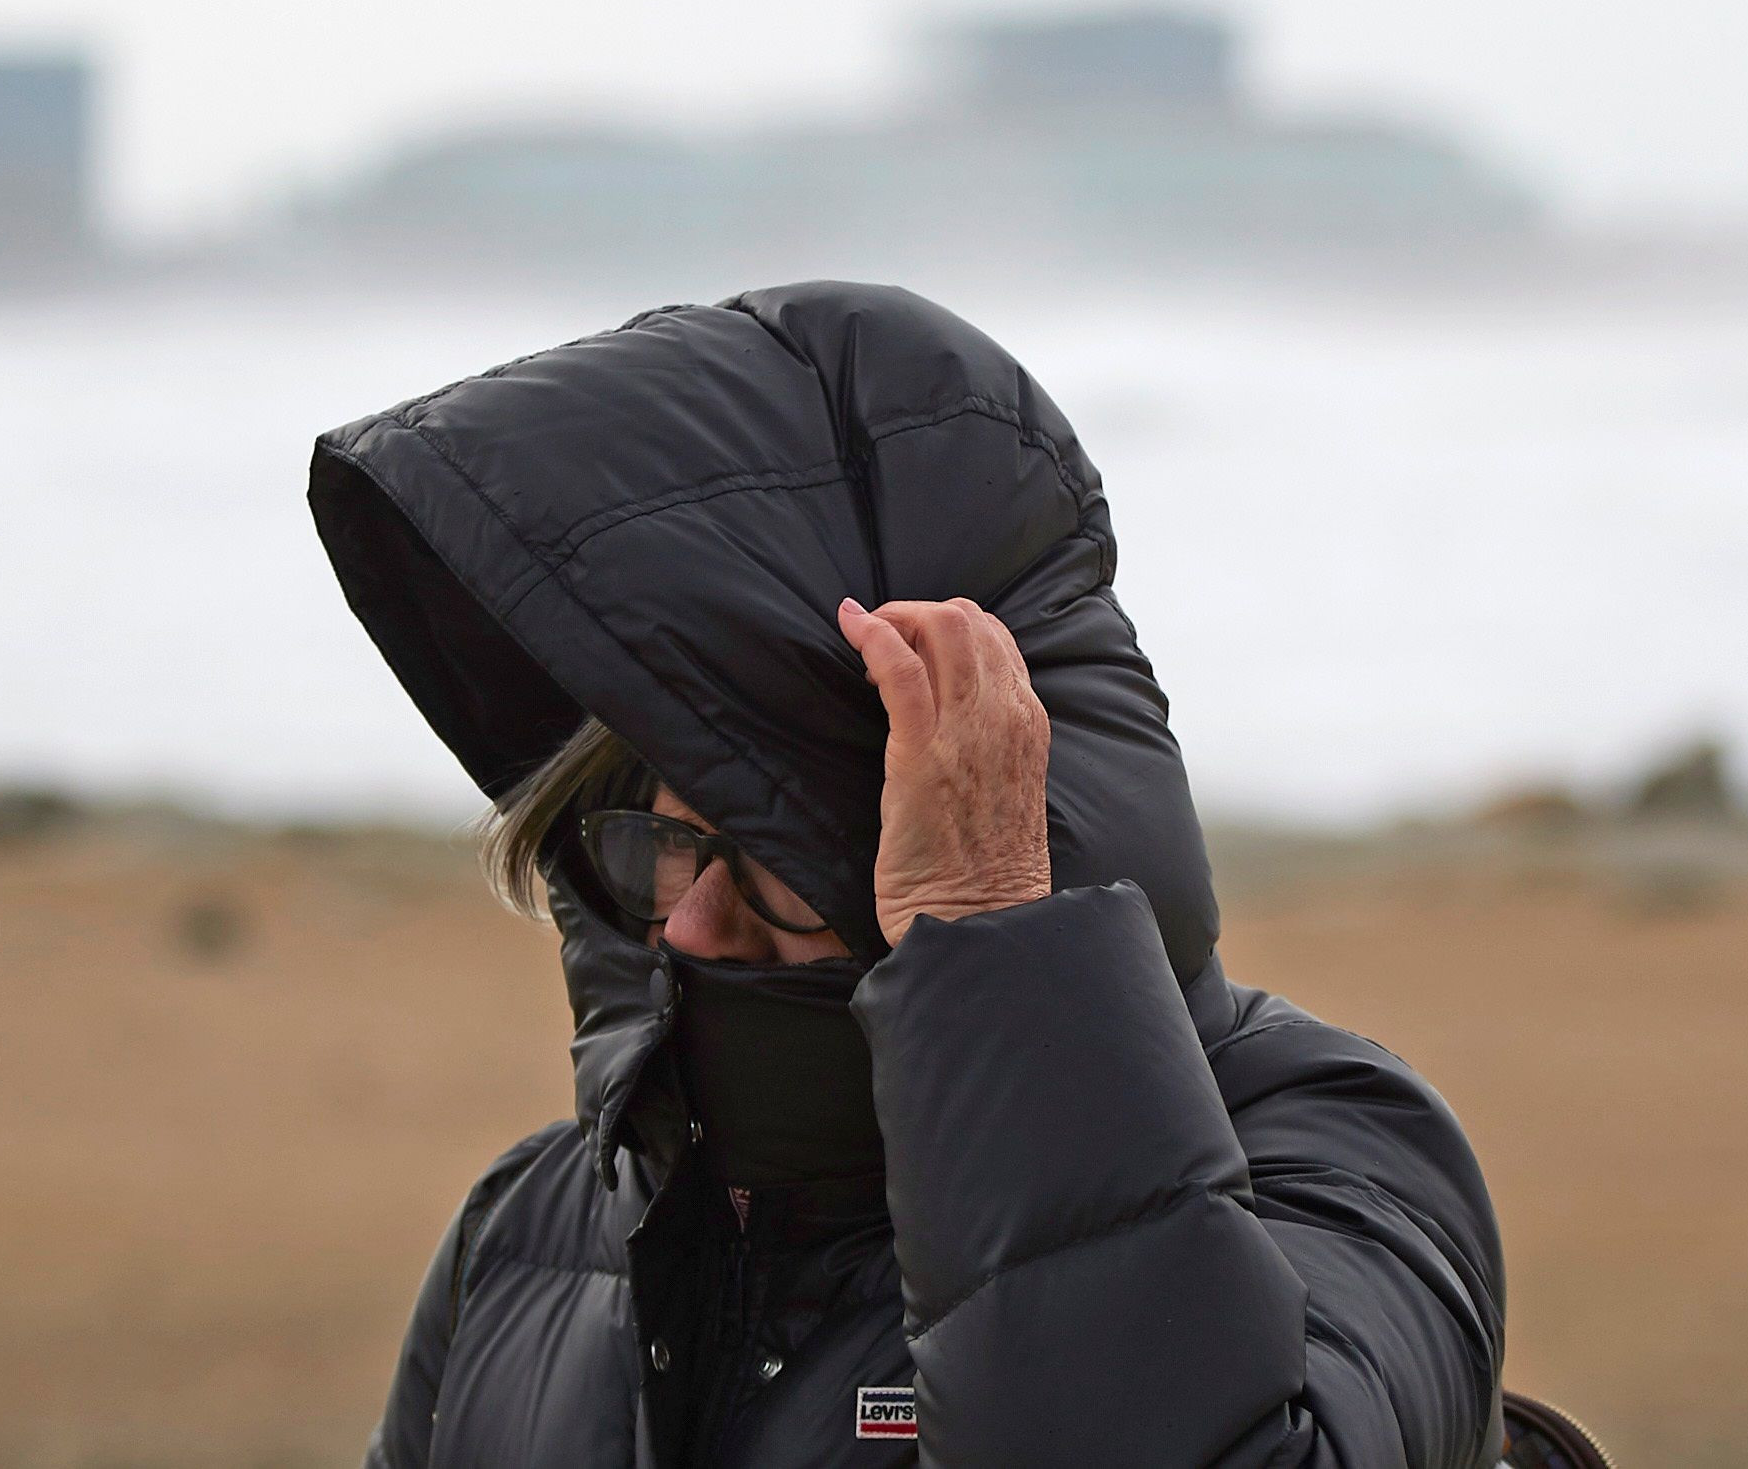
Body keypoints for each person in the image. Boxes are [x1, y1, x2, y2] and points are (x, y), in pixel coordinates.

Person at [309, 283, 1507, 1469]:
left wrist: (990, 938)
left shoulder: (1334, 1155)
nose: (691, 928)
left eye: (778, 863)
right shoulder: (528, 1230)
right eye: (663, 847)